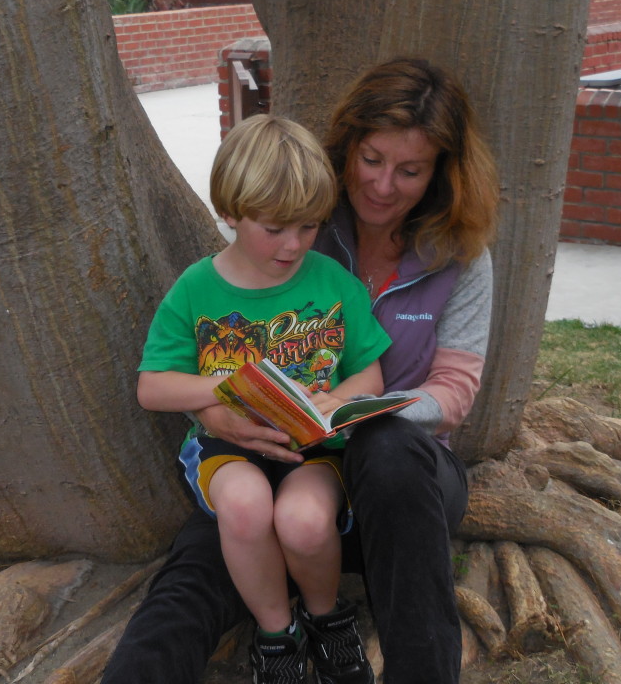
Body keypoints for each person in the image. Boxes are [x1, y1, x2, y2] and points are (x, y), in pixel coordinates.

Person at [102, 57, 498, 684]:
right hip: (264, 469)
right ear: (345, 153)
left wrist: (358, 413)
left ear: (442, 174)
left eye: (411, 170)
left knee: (387, 450)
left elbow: (453, 394)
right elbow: (185, 364)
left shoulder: (459, 258)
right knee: (204, 565)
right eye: (371, 160)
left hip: (397, 492)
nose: (385, 186)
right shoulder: (303, 217)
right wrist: (217, 408)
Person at [132, 112, 389, 684]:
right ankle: (278, 634)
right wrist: (222, 389)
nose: (293, 245)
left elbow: (369, 377)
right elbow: (153, 387)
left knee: (303, 521)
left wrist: (330, 404)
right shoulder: (197, 289)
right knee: (246, 509)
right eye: (274, 228)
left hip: (314, 449)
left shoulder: (332, 284)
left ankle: (327, 619)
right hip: (230, 449)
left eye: (308, 227)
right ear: (230, 212)